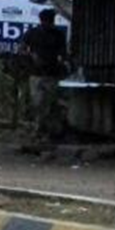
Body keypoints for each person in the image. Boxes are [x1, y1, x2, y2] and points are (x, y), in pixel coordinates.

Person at [22, 9, 69, 140]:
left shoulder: (58, 35)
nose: (48, 24)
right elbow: (22, 48)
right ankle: (38, 128)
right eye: (46, 21)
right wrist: (32, 56)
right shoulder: (32, 33)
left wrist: (62, 61)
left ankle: (45, 131)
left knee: (49, 104)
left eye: (50, 21)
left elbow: (63, 53)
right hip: (36, 73)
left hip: (51, 74)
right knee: (37, 102)